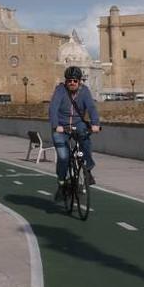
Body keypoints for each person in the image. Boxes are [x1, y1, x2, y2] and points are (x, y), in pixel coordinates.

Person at [49, 66, 101, 201]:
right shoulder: (60, 90)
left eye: (75, 81)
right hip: (62, 126)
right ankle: (61, 184)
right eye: (69, 80)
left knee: (85, 144)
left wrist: (95, 124)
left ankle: (87, 170)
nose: (72, 83)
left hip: (78, 125)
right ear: (66, 81)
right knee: (63, 157)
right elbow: (53, 108)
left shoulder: (85, 92)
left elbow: (91, 107)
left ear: (80, 82)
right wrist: (56, 126)